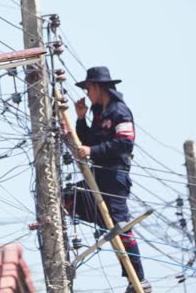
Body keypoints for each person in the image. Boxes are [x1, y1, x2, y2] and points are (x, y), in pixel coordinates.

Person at [64, 66, 152, 293]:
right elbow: (87, 141)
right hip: (98, 176)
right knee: (69, 198)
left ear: (97, 87)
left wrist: (91, 152)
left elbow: (125, 143)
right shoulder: (99, 114)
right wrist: (81, 118)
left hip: (114, 176)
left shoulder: (119, 112)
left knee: (121, 226)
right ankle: (101, 224)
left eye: (88, 88)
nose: (87, 93)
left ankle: (139, 279)